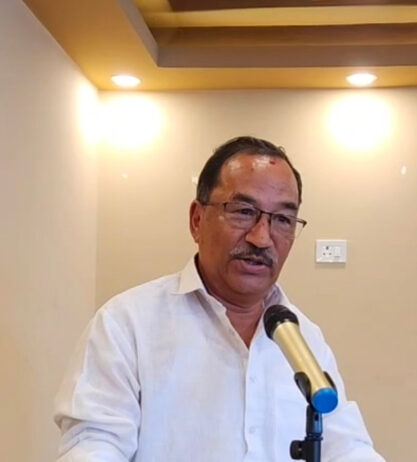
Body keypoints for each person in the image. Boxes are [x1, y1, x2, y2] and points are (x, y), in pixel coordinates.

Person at [54, 136, 384, 461]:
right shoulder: (126, 324)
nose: (262, 238)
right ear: (197, 220)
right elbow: (94, 445)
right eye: (243, 211)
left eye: (283, 219)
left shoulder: (304, 338)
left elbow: (345, 446)